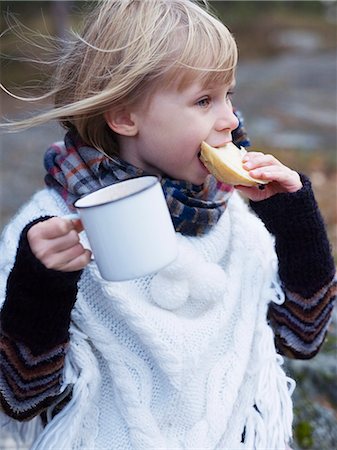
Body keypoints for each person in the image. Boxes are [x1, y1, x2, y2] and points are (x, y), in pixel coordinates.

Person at [0, 1, 336, 449]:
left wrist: (295, 218)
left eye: (228, 95)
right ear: (124, 116)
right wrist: (40, 286)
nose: (230, 119)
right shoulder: (53, 231)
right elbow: (21, 398)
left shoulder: (233, 216)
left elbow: (303, 336)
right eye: (203, 100)